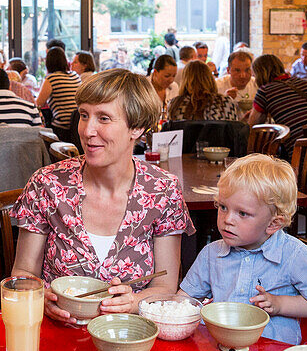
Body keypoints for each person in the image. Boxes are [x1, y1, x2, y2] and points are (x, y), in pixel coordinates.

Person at [12, 70, 194, 322]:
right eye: (84, 115)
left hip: (131, 337)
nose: (87, 131)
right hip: (58, 336)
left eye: (104, 118)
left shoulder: (162, 191)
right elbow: (22, 273)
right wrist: (40, 299)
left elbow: (164, 287)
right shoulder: (47, 184)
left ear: (137, 127)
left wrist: (133, 303)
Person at [181, 155, 307, 344]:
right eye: (223, 207)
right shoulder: (211, 254)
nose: (227, 219)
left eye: (242, 213)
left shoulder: (294, 255)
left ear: (273, 224)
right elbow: (186, 299)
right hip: (218, 348)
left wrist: (280, 304)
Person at [248, 54, 307, 155]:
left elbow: (253, 126)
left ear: (259, 74)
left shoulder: (265, 91)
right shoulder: (306, 83)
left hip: (303, 154)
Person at [167, 61, 239, 122]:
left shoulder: (175, 105)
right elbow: (233, 133)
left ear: (185, 80)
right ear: (209, 78)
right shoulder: (225, 103)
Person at [36, 46, 82, 137]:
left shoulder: (52, 78)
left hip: (61, 128)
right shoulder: (75, 76)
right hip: (78, 124)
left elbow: (39, 104)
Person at [216, 50, 257, 120]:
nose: (243, 75)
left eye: (247, 70)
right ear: (228, 70)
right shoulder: (217, 86)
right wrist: (225, 100)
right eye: (237, 70)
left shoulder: (257, 85)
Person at [146, 54, 179, 120]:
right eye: (167, 76)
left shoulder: (174, 87)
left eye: (174, 76)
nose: (171, 80)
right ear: (155, 72)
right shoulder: (144, 86)